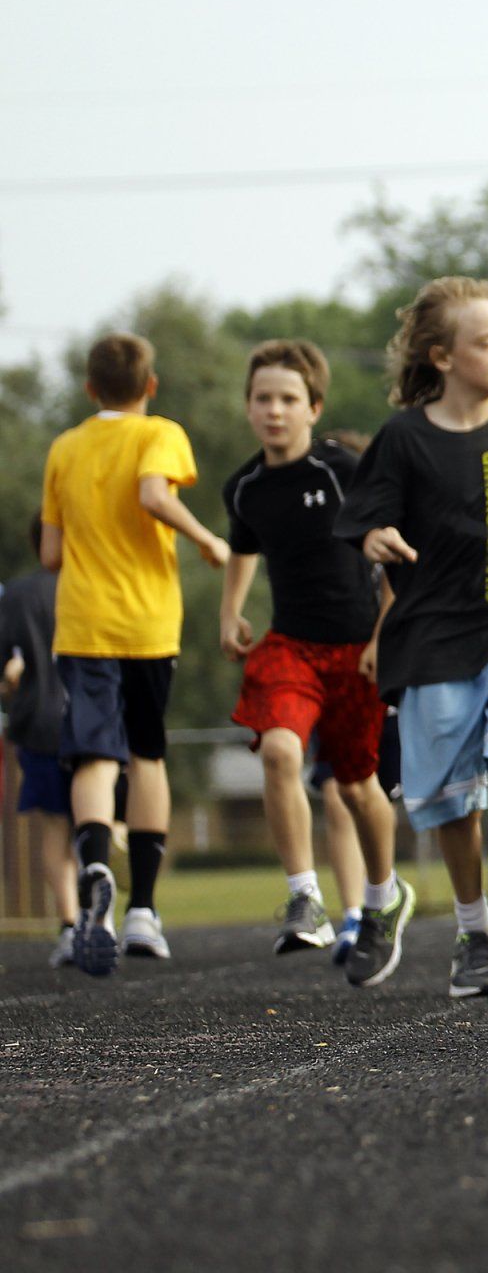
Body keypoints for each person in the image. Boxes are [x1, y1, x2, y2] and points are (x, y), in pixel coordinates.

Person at [335, 277, 488, 1000]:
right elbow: (364, 516)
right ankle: (473, 933)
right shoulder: (405, 438)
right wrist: (376, 537)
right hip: (433, 631)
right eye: (486, 342)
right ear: (442, 356)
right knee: (451, 800)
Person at [220, 340, 414, 982]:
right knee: (277, 750)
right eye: (262, 399)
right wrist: (230, 609)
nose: (274, 411)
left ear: (313, 407)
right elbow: (244, 546)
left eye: (287, 400)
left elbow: (389, 550)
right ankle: (305, 896)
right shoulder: (245, 486)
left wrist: (385, 634)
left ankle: (384, 896)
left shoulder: (344, 470)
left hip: (357, 650)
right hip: (290, 647)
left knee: (358, 788)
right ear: (248, 407)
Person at [41, 332, 230, 976]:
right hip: (147, 623)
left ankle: (95, 864)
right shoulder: (160, 434)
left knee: (93, 755)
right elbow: (154, 494)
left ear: (90, 388)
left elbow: (48, 554)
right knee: (147, 757)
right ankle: (144, 912)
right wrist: (208, 540)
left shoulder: (65, 447)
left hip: (83, 623)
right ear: (150, 387)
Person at [1, 520, 77, 965]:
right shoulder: (100, 586)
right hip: (95, 721)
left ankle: (69, 925)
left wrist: (12, 681)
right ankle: (98, 915)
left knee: (54, 826)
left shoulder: (17, 595)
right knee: (94, 820)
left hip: (41, 722)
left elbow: (5, 668)